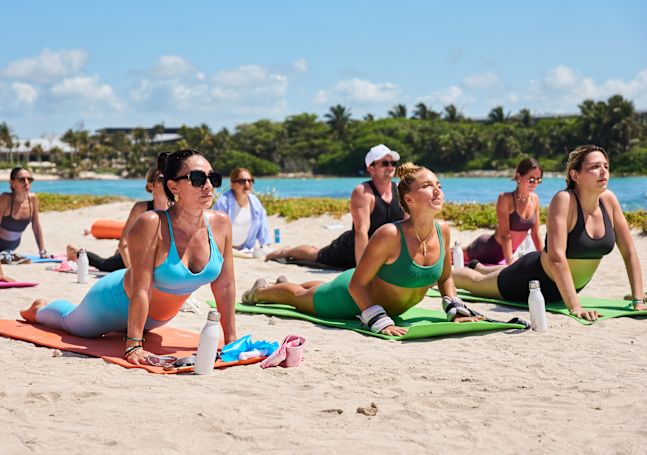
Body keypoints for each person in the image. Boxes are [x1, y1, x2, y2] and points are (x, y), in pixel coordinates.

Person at [20, 149, 237, 365]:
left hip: (155, 320)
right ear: (173, 186)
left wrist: (231, 341)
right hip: (111, 303)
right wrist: (134, 344)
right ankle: (39, 309)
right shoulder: (152, 223)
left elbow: (225, 286)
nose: (208, 186)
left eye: (213, 178)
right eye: (198, 178)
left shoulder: (221, 224)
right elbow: (141, 287)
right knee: (70, 323)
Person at [242, 163, 482, 336]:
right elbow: (357, 283)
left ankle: (285, 282)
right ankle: (260, 292)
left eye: (438, 185)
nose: (437, 190)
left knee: (317, 287)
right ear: (409, 199)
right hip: (350, 298)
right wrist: (377, 319)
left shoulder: (443, 230)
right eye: (428, 186)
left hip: (372, 292)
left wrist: (454, 307)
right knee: (298, 297)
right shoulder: (390, 234)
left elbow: (445, 277)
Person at [452, 145, 646, 321]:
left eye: (606, 166)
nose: (603, 171)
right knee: (477, 283)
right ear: (575, 175)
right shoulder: (564, 200)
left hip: (567, 286)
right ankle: (446, 275)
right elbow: (556, 258)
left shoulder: (609, 200)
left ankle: (479, 266)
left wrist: (638, 299)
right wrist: (575, 307)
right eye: (594, 167)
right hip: (534, 277)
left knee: (492, 272)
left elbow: (629, 253)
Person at [265, 144, 405, 270]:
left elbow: (409, 227)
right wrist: (362, 269)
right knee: (315, 255)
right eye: (385, 163)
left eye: (393, 163)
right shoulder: (363, 192)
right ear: (371, 168)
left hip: (384, 250)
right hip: (352, 249)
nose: (390, 167)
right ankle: (287, 251)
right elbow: (361, 232)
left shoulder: (400, 190)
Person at [66, 166, 169, 272]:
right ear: (151, 186)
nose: (168, 182)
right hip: (134, 258)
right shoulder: (141, 208)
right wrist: (133, 274)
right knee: (104, 265)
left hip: (158, 260)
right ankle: (76, 252)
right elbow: (123, 244)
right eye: (162, 179)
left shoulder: (176, 209)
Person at [463, 158, 543, 267]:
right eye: (531, 179)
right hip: (487, 249)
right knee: (452, 255)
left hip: (505, 254)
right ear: (519, 176)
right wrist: (510, 262)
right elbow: (505, 235)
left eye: (538, 180)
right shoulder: (505, 198)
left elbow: (535, 234)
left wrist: (543, 258)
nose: (535, 183)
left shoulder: (535, 199)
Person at [213, 167, 270, 251]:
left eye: (250, 181)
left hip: (247, 249)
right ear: (232, 184)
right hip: (224, 250)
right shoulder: (223, 202)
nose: (247, 184)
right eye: (242, 181)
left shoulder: (255, 202)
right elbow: (212, 228)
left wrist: (265, 245)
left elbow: (263, 226)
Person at [0, 167, 46, 256]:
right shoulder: (5, 199)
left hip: (12, 246)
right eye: (22, 180)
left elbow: (36, 226)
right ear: (11, 182)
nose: (26, 183)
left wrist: (42, 251)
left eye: (29, 179)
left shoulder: (32, 199)